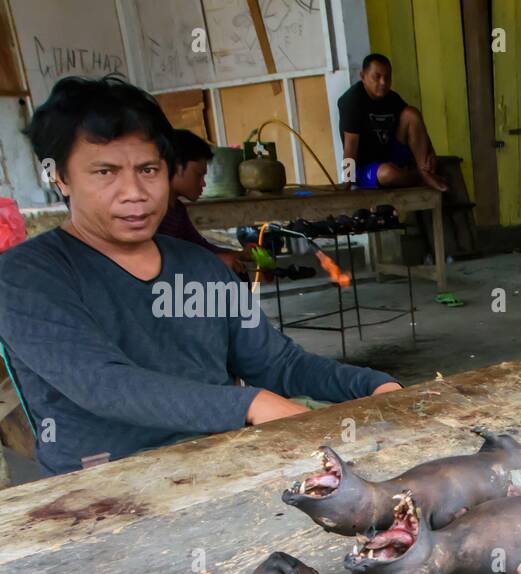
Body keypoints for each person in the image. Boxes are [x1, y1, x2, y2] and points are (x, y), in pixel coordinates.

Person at [0, 76, 401, 476]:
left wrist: (371, 385)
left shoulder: (200, 266)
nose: (134, 192)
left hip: (223, 461)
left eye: (148, 170)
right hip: (103, 488)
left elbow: (277, 364)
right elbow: (102, 384)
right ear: (61, 178)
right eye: (105, 173)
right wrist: (250, 404)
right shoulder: (26, 276)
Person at [337, 53, 448, 191]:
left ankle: (424, 170)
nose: (383, 82)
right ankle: (421, 177)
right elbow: (350, 145)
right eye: (377, 77)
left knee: (411, 113)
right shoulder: (352, 101)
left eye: (387, 77)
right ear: (363, 76)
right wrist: (348, 180)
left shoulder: (392, 98)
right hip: (366, 167)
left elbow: (416, 125)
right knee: (388, 174)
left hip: (390, 155)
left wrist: (431, 152)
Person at [157, 127, 246, 274]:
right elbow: (160, 260)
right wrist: (214, 261)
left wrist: (242, 254)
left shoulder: (177, 209)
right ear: (178, 167)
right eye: (199, 175)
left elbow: (200, 247)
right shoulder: (153, 212)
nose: (203, 184)